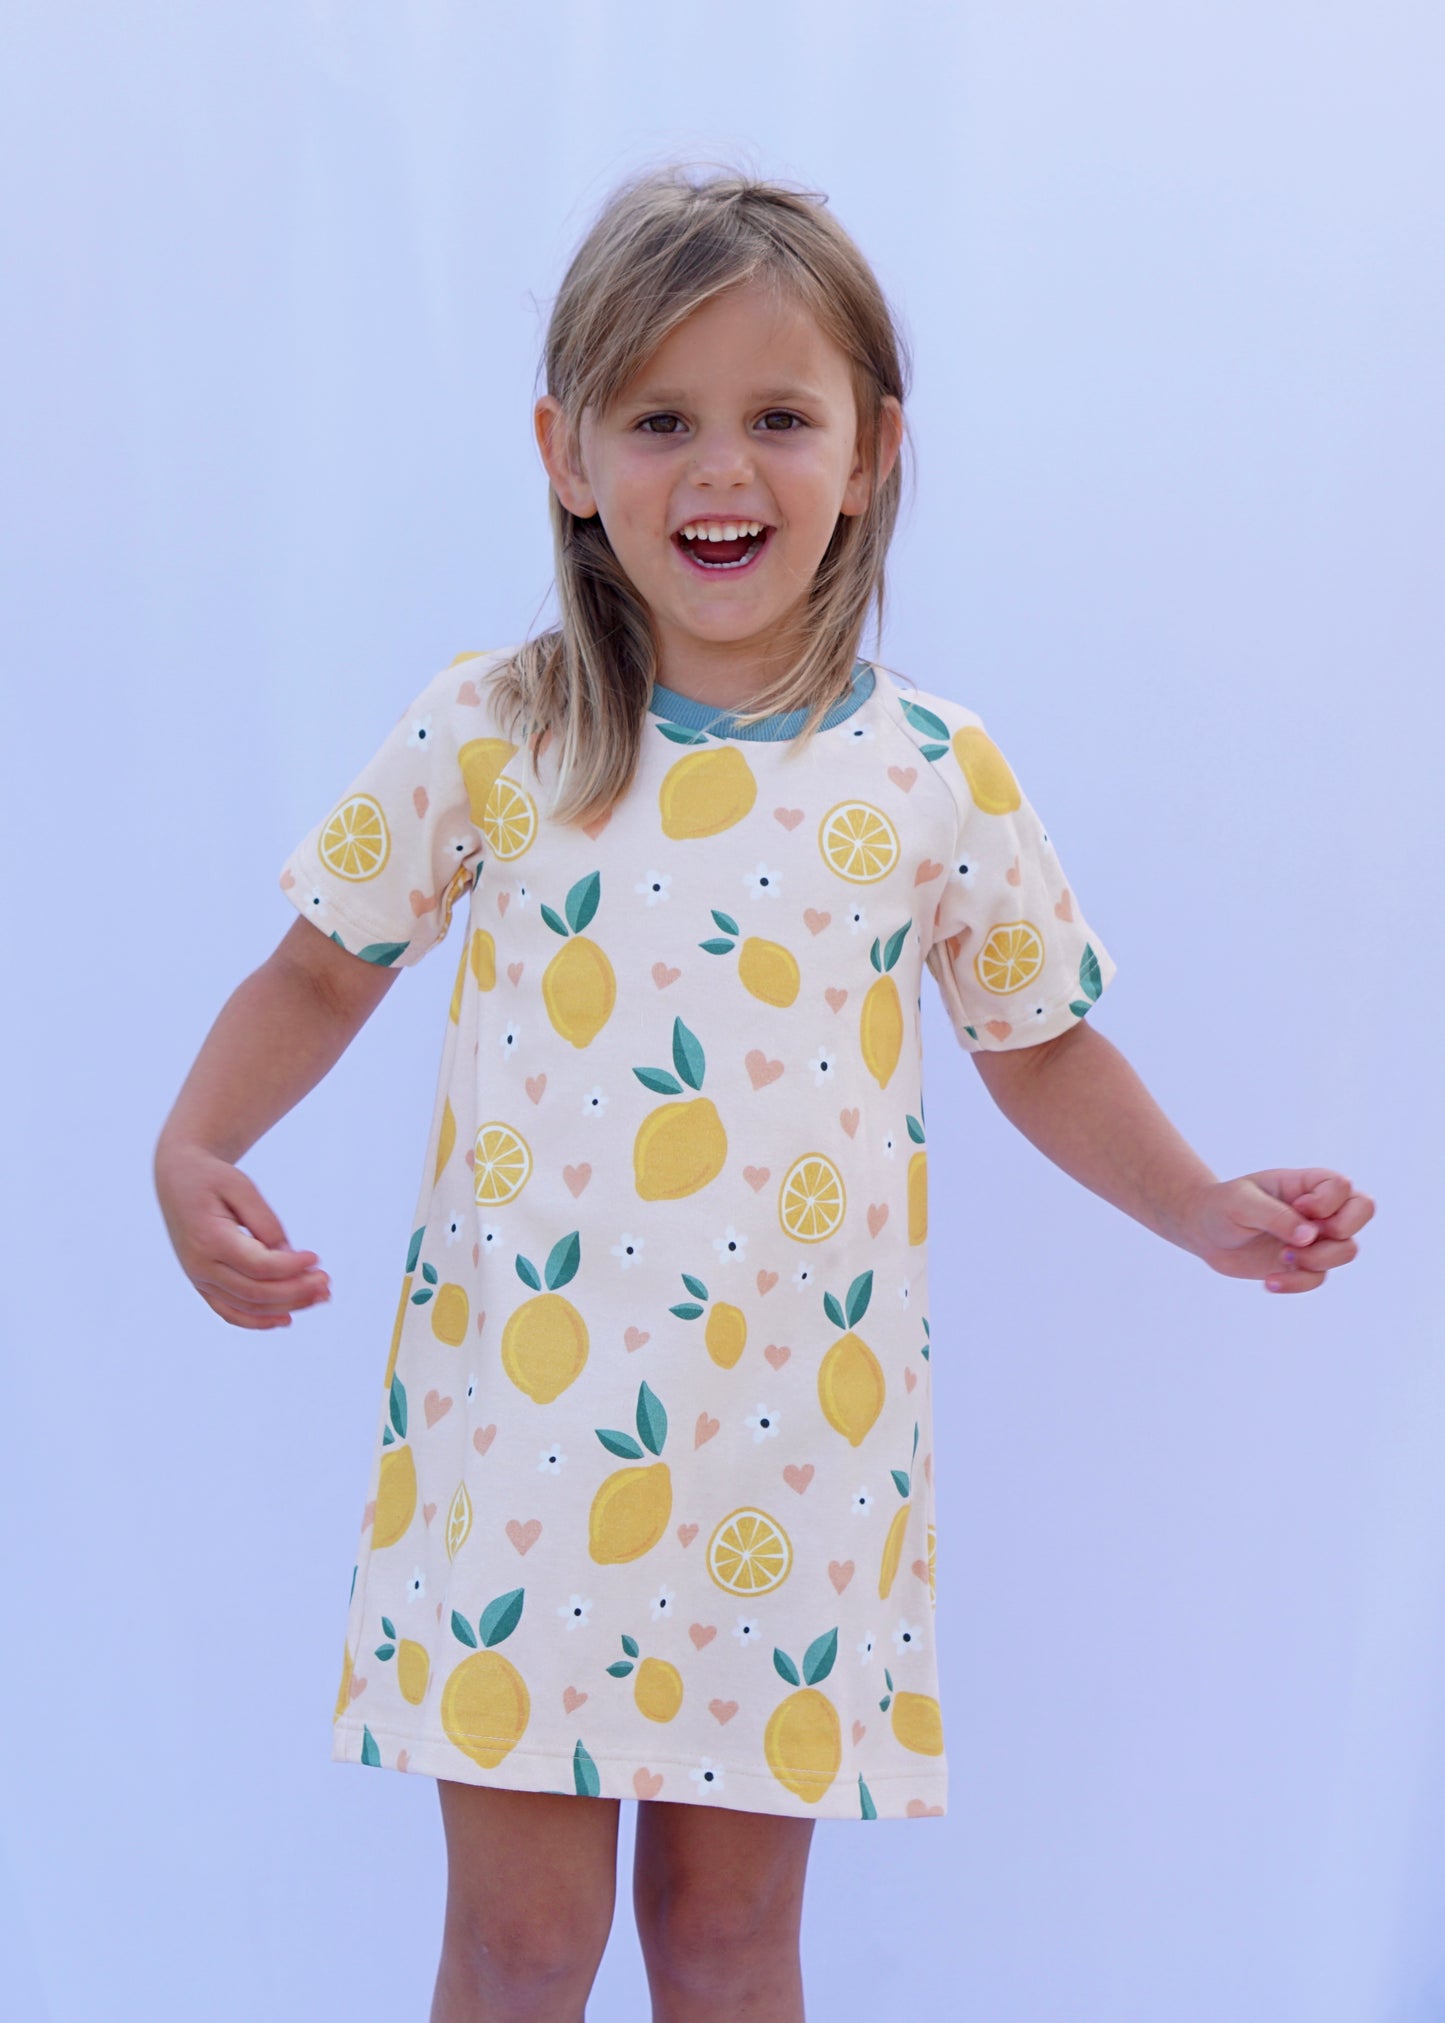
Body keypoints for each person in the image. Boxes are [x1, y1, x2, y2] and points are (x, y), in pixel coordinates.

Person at [153, 161, 1375, 2023]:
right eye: (661, 421)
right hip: (526, 1453)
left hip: (788, 1459)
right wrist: (197, 1141)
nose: (719, 471)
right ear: (567, 452)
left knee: (727, 1946)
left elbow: (1035, 1044)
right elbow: (325, 962)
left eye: (777, 418)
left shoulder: (930, 772)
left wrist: (1204, 1206)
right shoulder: (496, 731)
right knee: (519, 1945)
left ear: (872, 450)